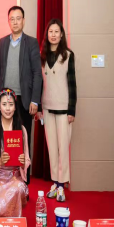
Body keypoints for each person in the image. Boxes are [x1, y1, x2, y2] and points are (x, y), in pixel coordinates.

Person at [0, 6, 42, 184]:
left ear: (23, 21)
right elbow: (0, 71)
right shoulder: (2, 42)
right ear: (8, 21)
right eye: (12, 19)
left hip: (23, 100)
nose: (15, 22)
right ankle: (6, 178)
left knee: (22, 140)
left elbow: (37, 73)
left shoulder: (31, 42)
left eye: (18, 18)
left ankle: (24, 181)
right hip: (6, 99)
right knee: (4, 139)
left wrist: (35, 100)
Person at [37, 19, 76, 202]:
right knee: (52, 148)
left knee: (63, 149)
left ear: (61, 35)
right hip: (47, 108)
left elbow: (73, 83)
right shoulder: (42, 56)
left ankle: (62, 185)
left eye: (56, 31)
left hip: (64, 109)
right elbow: (39, 84)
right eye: (50, 31)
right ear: (47, 35)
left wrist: (72, 110)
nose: (53, 35)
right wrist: (38, 107)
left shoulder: (68, 55)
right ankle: (55, 182)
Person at [0, 88, 31, 218]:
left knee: (18, 188)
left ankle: (11, 220)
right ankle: (1, 212)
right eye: (4, 104)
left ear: (15, 107)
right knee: (0, 210)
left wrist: (23, 162)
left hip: (15, 177)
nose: (8, 108)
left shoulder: (21, 130)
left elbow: (27, 159)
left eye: (11, 104)